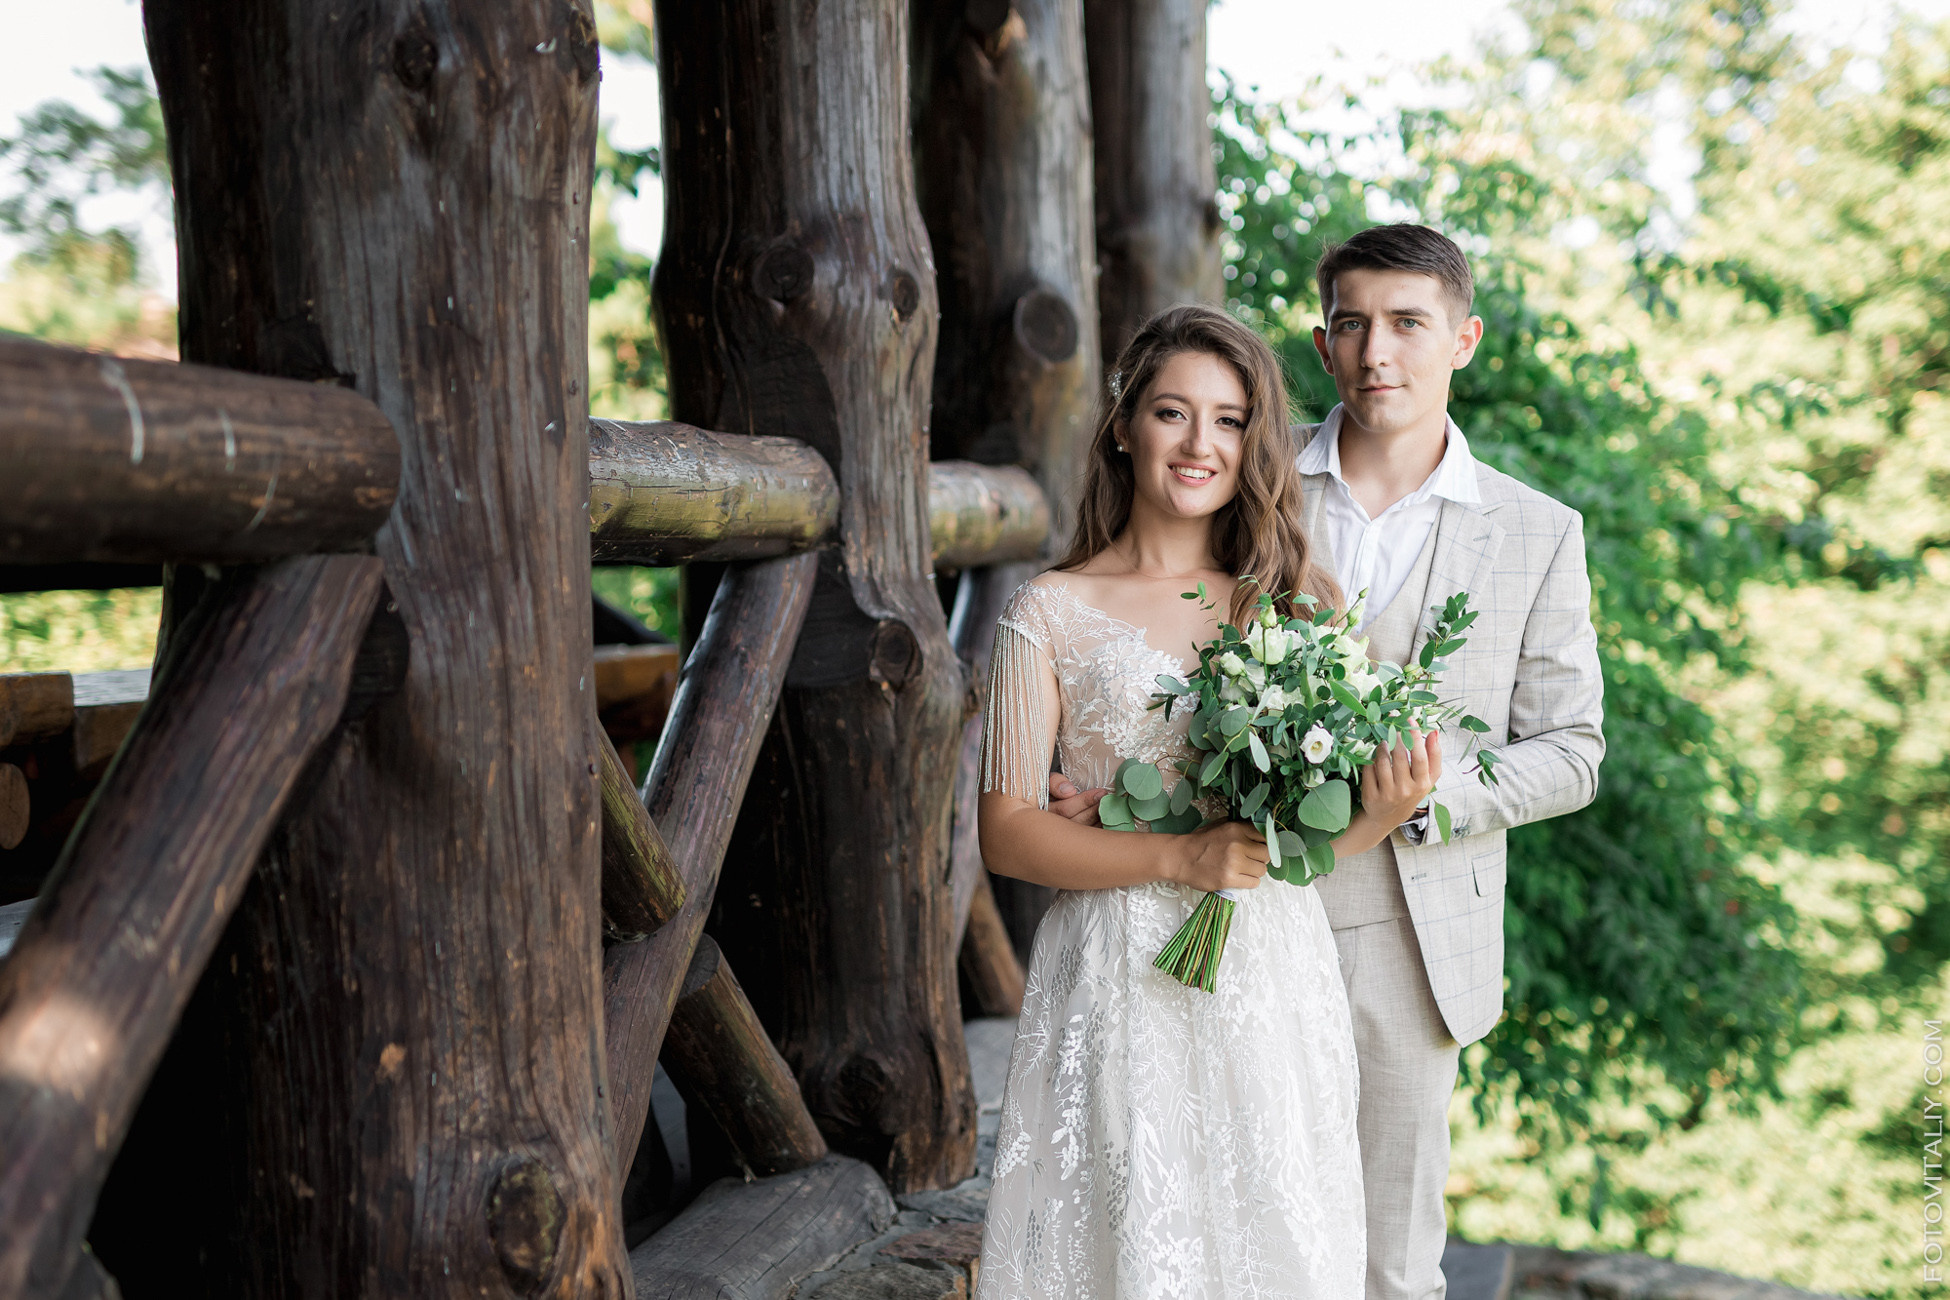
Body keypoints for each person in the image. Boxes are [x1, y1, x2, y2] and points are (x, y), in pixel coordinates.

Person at [1048, 225, 1607, 1300]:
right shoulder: (1245, 472)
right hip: (1234, 906)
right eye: (1351, 323)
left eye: (1407, 324)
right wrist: (1127, 793)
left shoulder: (1540, 532)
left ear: (1465, 339)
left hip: (1415, 929)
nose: (1375, 352)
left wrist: (1435, 790)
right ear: (1319, 339)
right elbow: (1153, 633)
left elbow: (1574, 749)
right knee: (1233, 1233)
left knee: (1389, 1264)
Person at [974, 304, 1440, 1299]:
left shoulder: (1292, 606)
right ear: (1123, 425)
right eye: (1174, 413)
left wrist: (1381, 809)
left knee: (1276, 1241)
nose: (1200, 444)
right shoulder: (1047, 612)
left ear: (1254, 442)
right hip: (1114, 978)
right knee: (1132, 1242)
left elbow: (1305, 840)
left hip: (1269, 969)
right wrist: (1175, 853)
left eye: (1229, 421)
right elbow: (1010, 834)